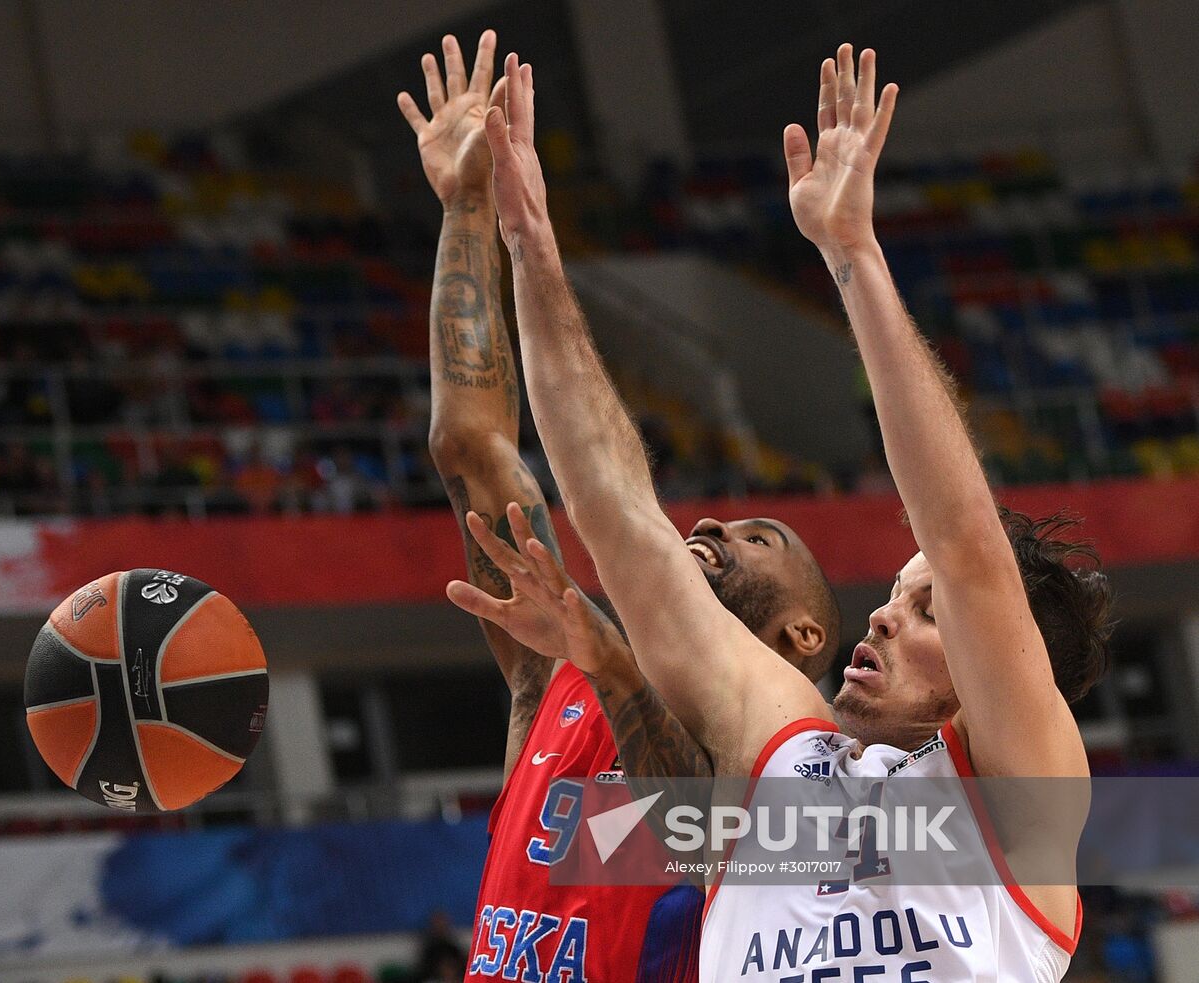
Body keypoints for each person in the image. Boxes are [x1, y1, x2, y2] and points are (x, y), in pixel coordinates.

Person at [476, 44, 1112, 981]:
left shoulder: (1025, 791)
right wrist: (529, 244)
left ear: (996, 672)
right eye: (899, 592)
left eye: (927, 609)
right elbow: (624, 527)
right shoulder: (783, 756)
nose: (887, 613)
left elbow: (968, 543)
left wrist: (853, 255)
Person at [400, 31, 841, 982]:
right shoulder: (554, 679)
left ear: (804, 635)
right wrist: (467, 206)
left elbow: (689, 829)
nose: (715, 524)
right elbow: (468, 446)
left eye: (762, 537)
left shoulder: (779, 751)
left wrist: (604, 656)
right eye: (724, 522)